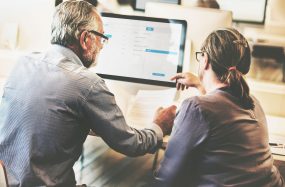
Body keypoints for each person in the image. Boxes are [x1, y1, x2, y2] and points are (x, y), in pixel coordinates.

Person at [0, 1, 176, 186]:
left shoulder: (24, 62)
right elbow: (131, 144)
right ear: (85, 39)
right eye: (101, 37)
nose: (102, 45)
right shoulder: (87, 84)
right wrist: (159, 126)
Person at [153, 28, 284, 186]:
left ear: (205, 59)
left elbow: (166, 179)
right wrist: (201, 85)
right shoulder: (253, 102)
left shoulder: (196, 108)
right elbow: (220, 107)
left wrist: (159, 125)